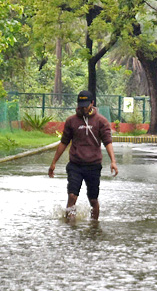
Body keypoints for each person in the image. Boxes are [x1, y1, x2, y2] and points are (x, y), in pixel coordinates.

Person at [48, 90, 118, 220]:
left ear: (92, 103)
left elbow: (108, 142)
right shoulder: (71, 121)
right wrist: (53, 163)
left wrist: (113, 161)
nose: (83, 108)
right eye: (81, 105)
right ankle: (70, 228)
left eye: (86, 105)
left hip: (93, 166)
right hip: (75, 165)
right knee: (72, 196)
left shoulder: (101, 121)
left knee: (93, 200)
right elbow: (64, 142)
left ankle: (94, 226)